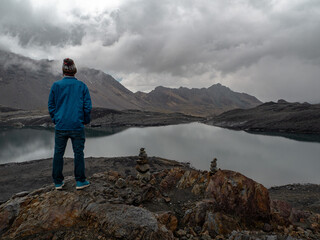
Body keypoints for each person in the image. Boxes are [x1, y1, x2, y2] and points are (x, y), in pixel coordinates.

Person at [48, 58, 92, 190]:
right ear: (74, 71)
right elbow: (87, 107)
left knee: (58, 153)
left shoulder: (56, 86)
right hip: (77, 125)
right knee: (78, 153)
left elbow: (51, 105)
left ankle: (58, 182)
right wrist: (85, 120)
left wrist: (56, 119)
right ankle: (80, 181)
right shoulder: (82, 86)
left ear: (63, 71)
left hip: (61, 126)